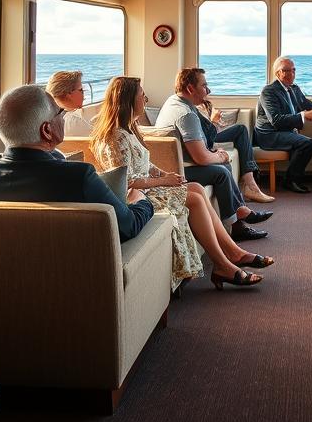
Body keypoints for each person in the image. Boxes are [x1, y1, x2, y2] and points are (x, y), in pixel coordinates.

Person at [92, 76, 269, 289]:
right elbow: (126, 181)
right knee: (193, 198)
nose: (145, 99)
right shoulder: (114, 137)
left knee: (195, 188)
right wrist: (164, 181)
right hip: (135, 197)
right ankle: (223, 264)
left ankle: (233, 252)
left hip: (147, 188)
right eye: (142, 95)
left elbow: (144, 164)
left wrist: (164, 173)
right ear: (128, 100)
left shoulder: (129, 130)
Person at [0, 84, 154, 243]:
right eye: (60, 112)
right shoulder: (79, 177)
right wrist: (141, 200)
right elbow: (129, 226)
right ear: (47, 130)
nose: (63, 117)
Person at [155, 68, 274, 239]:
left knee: (222, 164)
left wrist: (217, 155)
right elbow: (200, 157)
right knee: (221, 172)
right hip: (179, 171)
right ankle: (236, 226)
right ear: (190, 88)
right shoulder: (186, 114)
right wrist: (218, 156)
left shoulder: (173, 102)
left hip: (176, 165)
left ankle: (241, 211)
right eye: (204, 86)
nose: (208, 90)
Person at [255, 56, 312, 193]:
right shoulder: (268, 91)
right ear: (277, 73)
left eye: (293, 70)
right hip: (269, 134)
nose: (291, 74)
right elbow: (276, 120)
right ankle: (290, 181)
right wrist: (304, 115)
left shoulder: (294, 89)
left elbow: (309, 105)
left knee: (306, 143)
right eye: (286, 70)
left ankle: (294, 178)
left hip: (285, 131)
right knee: (308, 143)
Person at [46, 70, 93, 136]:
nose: (83, 93)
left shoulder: (47, 120)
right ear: (69, 94)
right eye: (81, 90)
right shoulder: (74, 122)